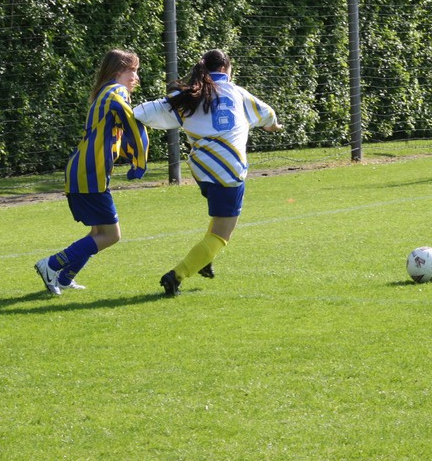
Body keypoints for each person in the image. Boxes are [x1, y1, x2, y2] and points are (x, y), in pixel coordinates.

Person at [133, 49, 282, 297]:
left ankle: (204, 260)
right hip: (229, 169)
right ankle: (176, 275)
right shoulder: (238, 93)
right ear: (225, 69)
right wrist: (274, 126)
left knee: (218, 219)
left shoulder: (188, 95)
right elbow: (267, 115)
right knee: (223, 233)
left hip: (201, 169)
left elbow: (142, 112)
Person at [34, 49, 148, 296]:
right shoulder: (116, 92)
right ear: (118, 71)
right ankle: (51, 264)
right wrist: (139, 161)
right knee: (111, 235)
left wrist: (128, 154)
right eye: (132, 71)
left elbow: (114, 135)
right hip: (89, 173)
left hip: (84, 171)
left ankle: (64, 278)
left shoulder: (105, 92)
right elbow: (134, 125)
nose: (136, 77)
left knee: (98, 232)